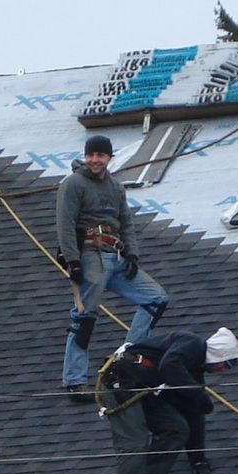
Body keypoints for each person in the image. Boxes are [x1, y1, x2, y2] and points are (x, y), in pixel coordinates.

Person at [56, 133, 169, 399]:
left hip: (115, 255)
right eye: (91, 154)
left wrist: (132, 255)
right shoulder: (73, 184)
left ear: (109, 157)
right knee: (84, 317)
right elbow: (65, 223)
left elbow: (126, 223)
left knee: (156, 299)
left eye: (101, 155)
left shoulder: (116, 187)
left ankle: (126, 356)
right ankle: (74, 381)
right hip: (89, 254)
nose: (95, 160)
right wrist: (72, 260)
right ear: (86, 156)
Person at [98, 326, 238, 474]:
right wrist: (198, 394)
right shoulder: (193, 344)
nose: (224, 370)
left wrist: (198, 459)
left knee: (176, 428)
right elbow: (169, 365)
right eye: (228, 364)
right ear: (219, 355)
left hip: (144, 388)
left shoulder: (192, 372)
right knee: (135, 441)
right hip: (121, 383)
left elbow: (193, 414)